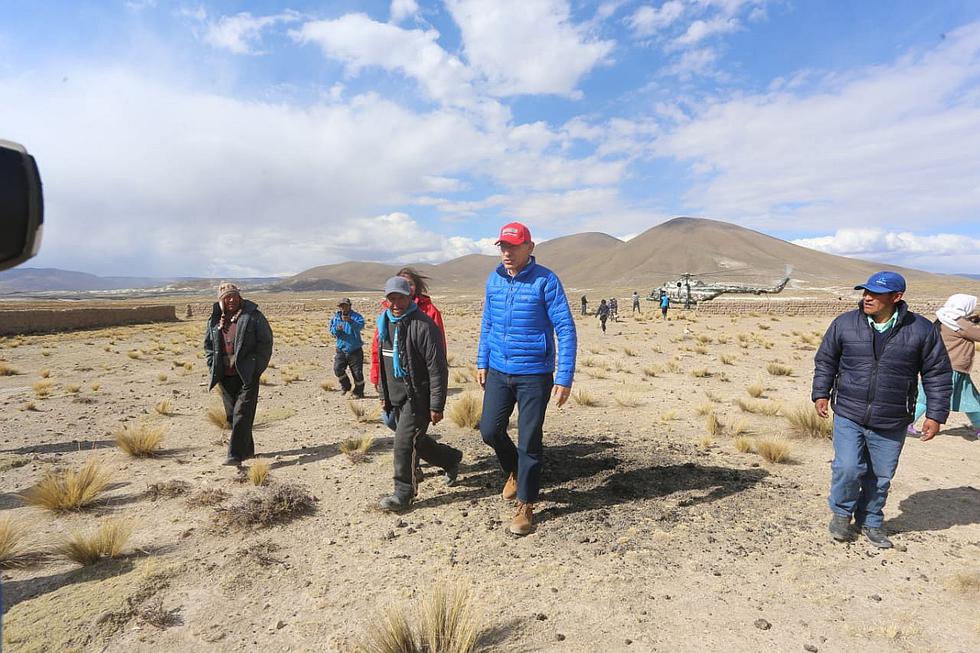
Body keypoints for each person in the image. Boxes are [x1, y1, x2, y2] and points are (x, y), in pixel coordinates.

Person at [812, 271, 951, 548]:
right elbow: (826, 360)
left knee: (881, 475)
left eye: (875, 293)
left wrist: (935, 414)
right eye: (865, 291)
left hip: (892, 417)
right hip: (850, 411)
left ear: (896, 297)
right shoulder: (845, 324)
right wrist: (820, 393)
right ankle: (841, 514)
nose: (867, 297)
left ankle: (871, 521)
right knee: (848, 467)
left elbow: (937, 373)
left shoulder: (921, 329)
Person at [477, 222, 577, 536]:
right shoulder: (494, 279)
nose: (507, 252)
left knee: (529, 438)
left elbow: (565, 328)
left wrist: (564, 375)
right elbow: (488, 323)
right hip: (498, 368)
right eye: (503, 246)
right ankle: (516, 471)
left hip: (534, 372)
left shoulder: (546, 280)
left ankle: (526, 504)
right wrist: (482, 360)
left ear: (529, 248)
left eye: (513, 246)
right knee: (489, 430)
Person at [375, 277, 462, 511]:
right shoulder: (383, 324)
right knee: (414, 440)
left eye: (400, 297)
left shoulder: (423, 325)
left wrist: (437, 405)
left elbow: (437, 368)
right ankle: (449, 459)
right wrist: (382, 393)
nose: (395, 303)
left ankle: (403, 493)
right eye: (391, 298)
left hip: (417, 398)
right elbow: (382, 362)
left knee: (403, 444)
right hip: (394, 397)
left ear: (409, 297)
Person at [204, 282, 274, 466]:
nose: (231, 300)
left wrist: (256, 367)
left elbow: (266, 343)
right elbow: (209, 346)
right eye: (227, 297)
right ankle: (248, 450)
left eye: (234, 296)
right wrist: (212, 365)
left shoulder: (253, 316)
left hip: (246, 374)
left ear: (240, 296)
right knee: (233, 416)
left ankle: (234, 455)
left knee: (242, 413)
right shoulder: (215, 319)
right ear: (221, 300)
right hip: (224, 375)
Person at [910, 294, 980, 437]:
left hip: (940, 365)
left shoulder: (944, 318)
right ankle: (907, 423)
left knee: (971, 399)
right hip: (952, 368)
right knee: (926, 398)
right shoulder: (960, 323)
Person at [370, 267, 446, 393]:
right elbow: (378, 347)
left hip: (419, 379)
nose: (407, 287)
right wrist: (376, 375)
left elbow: (438, 348)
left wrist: (436, 381)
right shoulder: (387, 315)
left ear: (417, 286)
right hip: (393, 379)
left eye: (410, 284)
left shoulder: (429, 311)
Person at [330, 298, 366, 398]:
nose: (343, 308)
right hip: (341, 349)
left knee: (357, 373)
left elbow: (360, 326)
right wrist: (337, 329)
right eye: (341, 306)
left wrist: (350, 321)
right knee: (338, 369)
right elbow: (332, 331)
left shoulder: (356, 316)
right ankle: (346, 386)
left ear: (350, 306)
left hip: (355, 349)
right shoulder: (336, 318)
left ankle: (359, 392)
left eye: (345, 305)